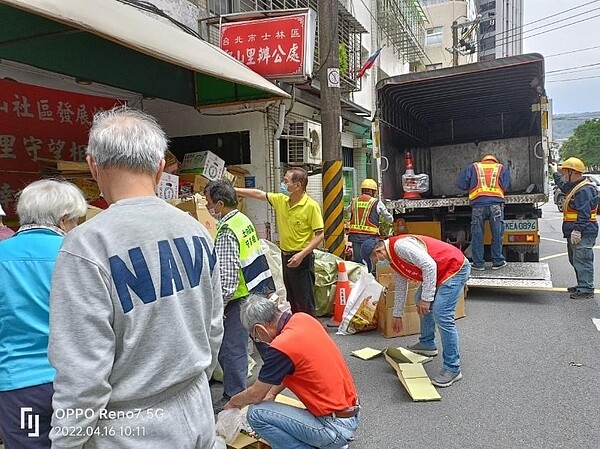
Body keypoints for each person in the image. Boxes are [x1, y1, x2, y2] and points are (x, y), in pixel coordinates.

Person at [47, 107, 224, 449]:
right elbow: (214, 327)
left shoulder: (87, 244)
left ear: (93, 165)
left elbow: (82, 376)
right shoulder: (195, 231)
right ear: (160, 168)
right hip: (198, 409)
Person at [0, 179, 87, 448]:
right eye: (74, 221)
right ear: (63, 220)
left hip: (19, 386)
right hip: (77, 385)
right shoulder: (81, 256)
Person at [224, 295, 359, 449]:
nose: (258, 339)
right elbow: (291, 367)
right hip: (350, 413)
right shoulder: (302, 319)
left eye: (255, 336)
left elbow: (255, 394)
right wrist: (273, 393)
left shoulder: (281, 346)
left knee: (256, 413)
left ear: (259, 329)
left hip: (334, 427)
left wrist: (232, 402)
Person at [203, 180, 275, 414]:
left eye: (209, 202)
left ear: (220, 204)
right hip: (258, 288)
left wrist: (219, 308)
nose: (207, 206)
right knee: (262, 339)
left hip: (239, 298)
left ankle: (233, 394)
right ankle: (279, 374)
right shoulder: (242, 220)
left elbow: (227, 278)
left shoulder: (225, 231)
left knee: (231, 348)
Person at [362, 235, 470, 388]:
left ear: (379, 251)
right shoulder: (393, 260)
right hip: (440, 271)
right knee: (418, 297)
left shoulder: (400, 247)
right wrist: (397, 315)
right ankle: (427, 344)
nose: (379, 263)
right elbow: (400, 287)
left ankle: (453, 368)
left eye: (376, 260)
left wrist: (426, 299)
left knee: (442, 314)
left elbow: (429, 266)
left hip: (454, 268)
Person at [235, 167, 324, 316]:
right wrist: (235, 190)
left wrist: (301, 255)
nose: (283, 184)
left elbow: (319, 235)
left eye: (286, 181)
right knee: (292, 299)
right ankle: (297, 332)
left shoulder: (311, 206)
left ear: (298, 185)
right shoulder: (282, 201)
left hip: (302, 259)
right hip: (286, 257)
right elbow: (259, 194)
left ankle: (310, 332)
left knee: (305, 301)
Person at [553, 157, 598, 299]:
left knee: (582, 260)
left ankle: (586, 288)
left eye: (566, 173)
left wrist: (578, 230)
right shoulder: (577, 186)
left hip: (583, 232)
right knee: (576, 259)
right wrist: (556, 173)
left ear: (574, 172)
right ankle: (582, 285)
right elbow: (564, 186)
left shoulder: (585, 190)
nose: (564, 176)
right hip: (576, 231)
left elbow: (584, 213)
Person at [457, 154, 510, 271]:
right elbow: (505, 186)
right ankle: (498, 261)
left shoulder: (474, 167)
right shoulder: (501, 168)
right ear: (494, 161)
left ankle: (478, 264)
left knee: (477, 235)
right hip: (496, 205)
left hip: (478, 205)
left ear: (483, 161)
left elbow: (461, 184)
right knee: (497, 234)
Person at [347, 178, 393, 273]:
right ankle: (370, 279)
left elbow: (348, 210)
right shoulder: (376, 202)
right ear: (373, 191)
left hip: (355, 236)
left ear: (362, 190)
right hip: (369, 238)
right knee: (370, 260)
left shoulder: (354, 201)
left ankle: (359, 280)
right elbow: (389, 218)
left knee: (358, 261)